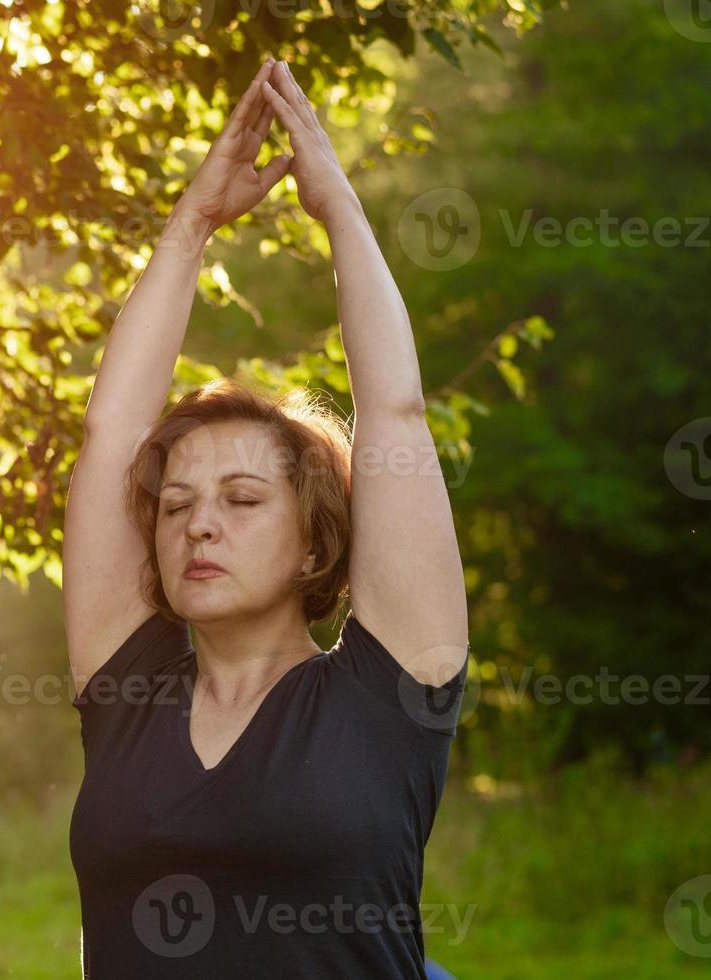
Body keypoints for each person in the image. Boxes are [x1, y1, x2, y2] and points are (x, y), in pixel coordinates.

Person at [63, 56, 471, 978]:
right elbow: (112, 430)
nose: (196, 526)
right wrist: (190, 226)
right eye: (175, 505)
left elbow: (395, 413)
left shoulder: (385, 693)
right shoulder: (125, 693)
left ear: (314, 541)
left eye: (242, 500)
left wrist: (340, 213)